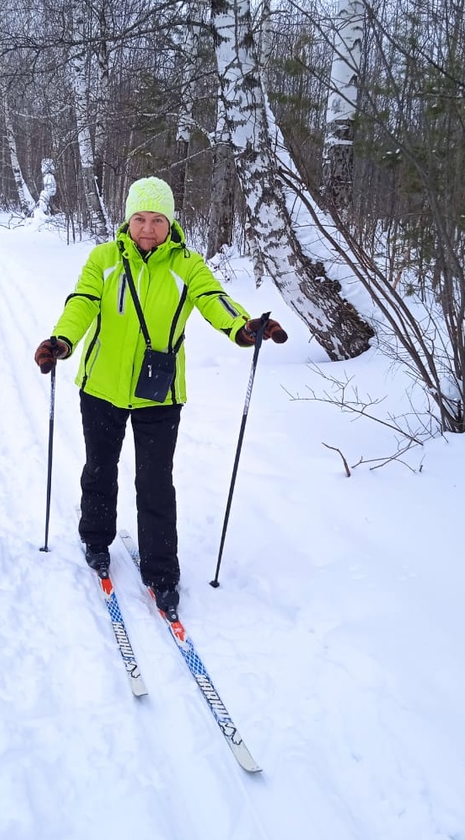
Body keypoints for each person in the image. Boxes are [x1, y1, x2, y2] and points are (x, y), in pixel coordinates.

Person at [34, 176, 288, 620]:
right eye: (140, 219)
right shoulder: (104, 259)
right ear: (127, 220)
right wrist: (62, 341)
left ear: (171, 223)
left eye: (157, 220)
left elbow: (214, 300)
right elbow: (81, 303)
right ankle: (96, 538)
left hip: (160, 396)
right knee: (99, 468)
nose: (148, 228)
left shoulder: (187, 265)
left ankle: (161, 572)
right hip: (102, 388)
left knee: (155, 482)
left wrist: (243, 327)